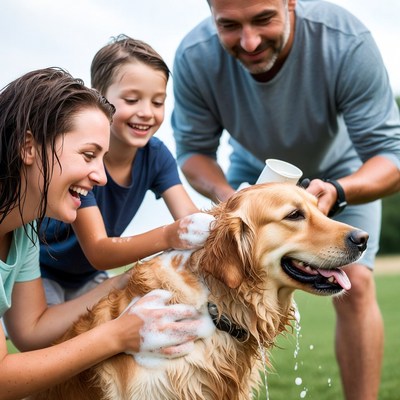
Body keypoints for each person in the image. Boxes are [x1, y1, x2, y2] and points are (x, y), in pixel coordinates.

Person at [171, 1, 400, 399]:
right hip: (250, 175)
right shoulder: (194, 56)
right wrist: (235, 202)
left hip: (342, 171)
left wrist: (339, 191)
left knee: (357, 285)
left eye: (263, 19)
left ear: (290, 3)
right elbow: (192, 153)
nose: (250, 40)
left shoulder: (344, 40)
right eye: (229, 25)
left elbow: (392, 157)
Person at [0, 67, 213, 400]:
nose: (100, 177)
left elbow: (31, 329)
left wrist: (120, 282)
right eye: (88, 155)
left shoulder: (23, 229)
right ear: (28, 146)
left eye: (102, 157)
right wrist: (117, 335)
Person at [40, 35, 214, 305]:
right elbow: (98, 249)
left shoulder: (156, 156)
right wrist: (169, 235)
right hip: (43, 272)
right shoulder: (86, 162)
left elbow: (190, 218)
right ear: (99, 98)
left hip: (90, 276)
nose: (146, 112)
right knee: (56, 343)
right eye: (132, 100)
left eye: (157, 102)